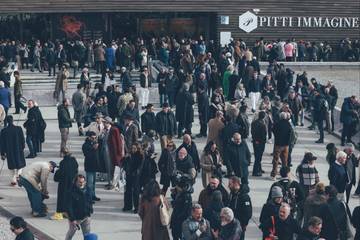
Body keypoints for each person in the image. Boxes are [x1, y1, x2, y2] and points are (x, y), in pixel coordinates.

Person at [52, 148, 79, 220]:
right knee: (70, 198)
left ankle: (62, 212)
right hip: (72, 182)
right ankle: (69, 212)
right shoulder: (74, 160)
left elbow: (61, 173)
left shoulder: (63, 162)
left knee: (62, 198)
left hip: (64, 183)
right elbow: (76, 170)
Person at [65, 174, 93, 240]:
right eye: (80, 182)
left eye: (83, 182)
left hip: (86, 217)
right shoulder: (71, 192)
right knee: (70, 234)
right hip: (76, 218)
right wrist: (72, 219)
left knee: (87, 235)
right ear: (75, 182)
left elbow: (90, 201)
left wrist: (90, 211)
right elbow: (69, 207)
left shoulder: (88, 190)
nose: (82, 184)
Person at [0, 115, 26, 186]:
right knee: (20, 165)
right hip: (18, 149)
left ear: (7, 121)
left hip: (9, 151)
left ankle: (13, 179)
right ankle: (18, 176)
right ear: (13, 120)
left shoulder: (4, 131)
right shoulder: (18, 129)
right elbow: (22, 139)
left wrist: (2, 153)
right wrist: (23, 147)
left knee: (11, 166)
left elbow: (2, 143)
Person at [170, 175, 193, 240]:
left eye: (178, 186)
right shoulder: (181, 192)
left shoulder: (186, 196)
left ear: (183, 187)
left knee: (179, 236)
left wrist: (173, 203)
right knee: (175, 235)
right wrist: (174, 194)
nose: (176, 187)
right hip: (177, 220)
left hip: (181, 221)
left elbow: (185, 210)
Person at [123, 143, 144, 213]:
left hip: (136, 176)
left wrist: (136, 173)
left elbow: (140, 166)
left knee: (136, 192)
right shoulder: (129, 155)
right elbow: (123, 163)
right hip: (129, 175)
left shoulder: (140, 156)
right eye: (132, 148)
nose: (133, 150)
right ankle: (128, 205)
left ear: (137, 148)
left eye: (134, 148)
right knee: (128, 191)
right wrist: (125, 158)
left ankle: (137, 207)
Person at [271, 111, 292, 180]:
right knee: (284, 161)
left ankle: (274, 175)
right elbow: (291, 133)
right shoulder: (288, 124)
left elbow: (273, 130)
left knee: (276, 160)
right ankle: (284, 174)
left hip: (278, 144)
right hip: (286, 145)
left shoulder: (277, 123)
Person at [82, 131, 101, 202]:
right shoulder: (85, 145)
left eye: (95, 137)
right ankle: (89, 197)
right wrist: (93, 148)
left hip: (94, 166)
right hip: (89, 166)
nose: (94, 139)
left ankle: (93, 195)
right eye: (92, 138)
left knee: (93, 183)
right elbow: (87, 155)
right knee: (89, 183)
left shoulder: (94, 143)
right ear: (89, 137)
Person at [251, 111, 267, 176]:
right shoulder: (262, 125)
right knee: (258, 157)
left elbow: (252, 132)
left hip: (255, 141)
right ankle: (255, 171)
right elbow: (263, 135)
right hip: (260, 142)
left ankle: (259, 168)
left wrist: (255, 139)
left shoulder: (254, 122)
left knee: (257, 156)